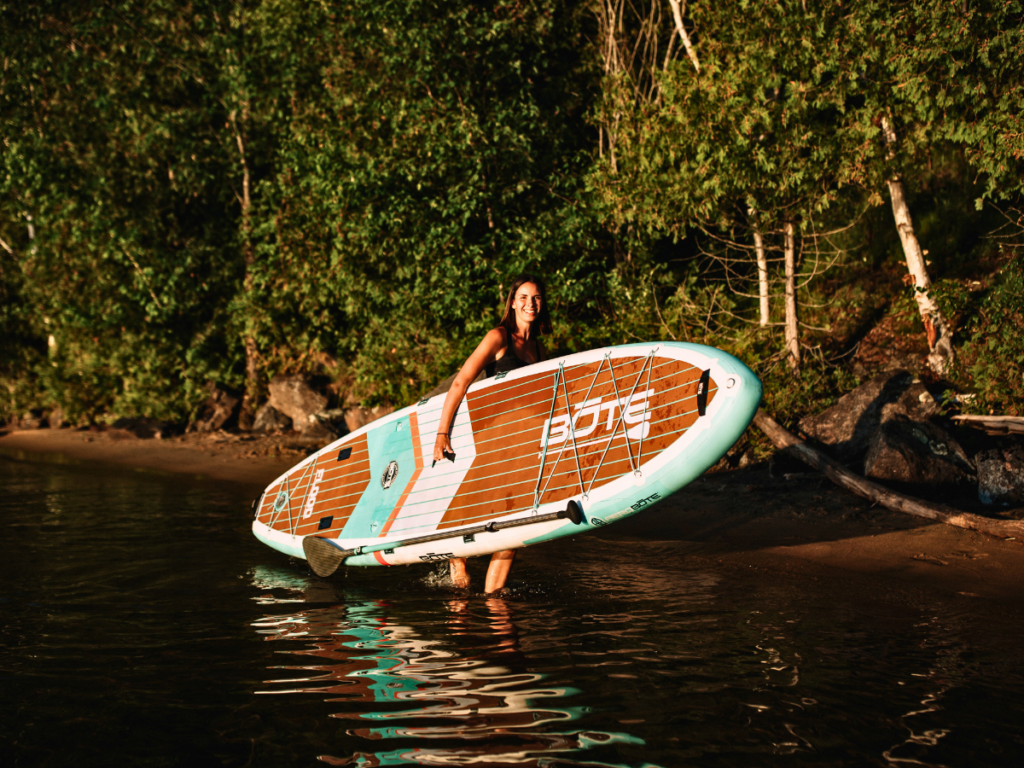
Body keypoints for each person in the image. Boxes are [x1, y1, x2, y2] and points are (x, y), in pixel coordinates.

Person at [433, 274, 552, 593]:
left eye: (537, 297)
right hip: (488, 438)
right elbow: (461, 381)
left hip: (519, 446)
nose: (531, 303)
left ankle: (492, 596)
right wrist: (442, 432)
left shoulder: (538, 349)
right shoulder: (499, 337)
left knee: (514, 527)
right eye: (524, 297)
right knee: (478, 512)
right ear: (512, 302)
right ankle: (458, 565)